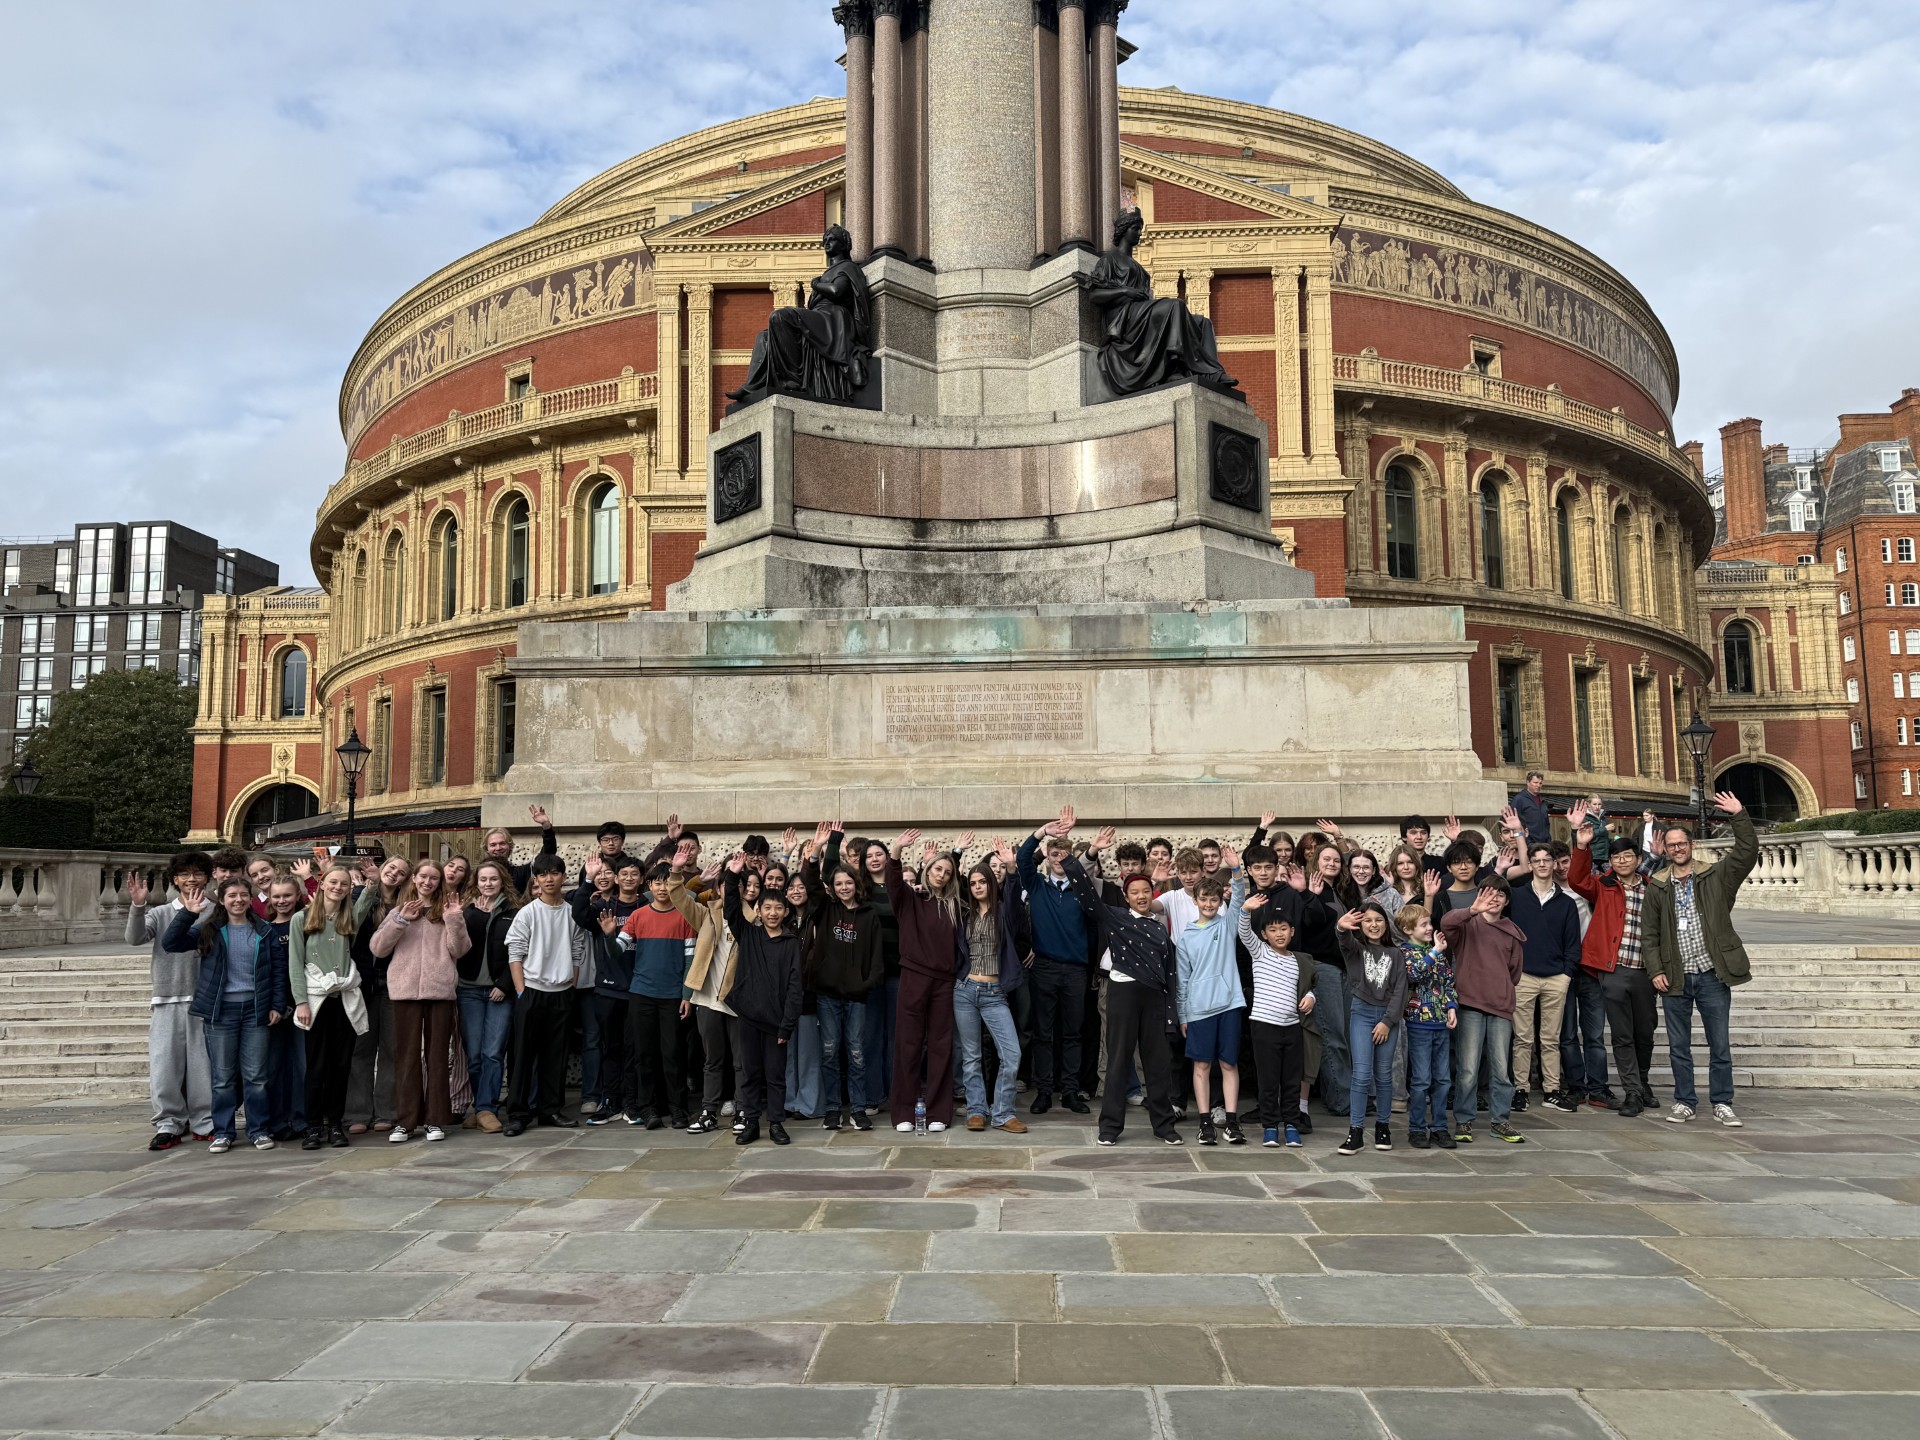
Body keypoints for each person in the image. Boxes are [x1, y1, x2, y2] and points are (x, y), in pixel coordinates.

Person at [1643, 793, 1757, 1127]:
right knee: (1679, 1046)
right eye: (1671, 845)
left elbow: (1747, 853)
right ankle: (1684, 1101)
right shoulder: (1658, 886)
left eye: (1682, 844)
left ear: (1692, 846)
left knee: (1719, 1043)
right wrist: (1655, 970)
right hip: (1676, 976)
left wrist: (1739, 815)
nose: (1677, 849)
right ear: (1664, 849)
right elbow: (1649, 934)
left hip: (1711, 974)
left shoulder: (1716, 876)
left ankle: (1722, 1101)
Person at [1060, 836, 1182, 1147]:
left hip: (1154, 999)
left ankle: (1164, 1126)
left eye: (1145, 892)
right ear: (1125, 896)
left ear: (1151, 894)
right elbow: (1087, 896)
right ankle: (1110, 1128)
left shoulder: (1158, 927)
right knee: (1117, 1061)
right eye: (1134, 893)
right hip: (1123, 996)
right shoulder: (1114, 918)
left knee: (1157, 1064)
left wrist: (1171, 1014)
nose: (1141, 897)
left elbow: (1170, 975)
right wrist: (1074, 860)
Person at [162, 875, 290, 1153]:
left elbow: (279, 972)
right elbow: (171, 943)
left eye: (243, 895)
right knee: (222, 1077)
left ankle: (258, 1129)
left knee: (256, 1075)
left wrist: (277, 1005)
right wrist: (187, 913)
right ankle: (223, 1131)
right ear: (222, 900)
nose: (238, 900)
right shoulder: (209, 930)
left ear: (250, 898)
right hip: (221, 1011)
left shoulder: (265, 931)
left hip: (256, 1010)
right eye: (232, 895)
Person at [369, 860, 471, 1143]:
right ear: (414, 878)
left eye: (434, 878)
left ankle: (435, 1119)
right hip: (404, 991)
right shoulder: (399, 911)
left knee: (438, 1056)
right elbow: (378, 947)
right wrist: (400, 921)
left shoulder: (445, 911)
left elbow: (460, 950)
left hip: (439, 991)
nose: (428, 882)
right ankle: (406, 1121)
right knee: (407, 1057)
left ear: (440, 882)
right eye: (423, 877)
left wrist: (454, 918)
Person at [126, 851, 215, 1149]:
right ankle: (169, 1123)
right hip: (166, 997)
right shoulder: (161, 912)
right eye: (185, 874)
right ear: (175, 879)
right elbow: (134, 938)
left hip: (204, 999)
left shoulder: (217, 911)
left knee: (203, 1066)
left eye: (198, 873)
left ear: (208, 877)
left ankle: (205, 1121)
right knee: (165, 1066)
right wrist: (138, 906)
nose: (192, 879)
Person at [1567, 824, 1656, 1118]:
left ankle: (1642, 1083)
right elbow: (1577, 879)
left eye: (1628, 856)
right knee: (1621, 1034)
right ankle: (1632, 1091)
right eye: (1617, 858)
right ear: (1612, 862)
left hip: (1645, 969)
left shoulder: (1654, 889)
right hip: (1613, 969)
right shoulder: (1603, 885)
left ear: (1638, 859)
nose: (1622, 861)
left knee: (1645, 1032)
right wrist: (1581, 847)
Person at [1016, 812, 1100, 1116]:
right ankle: (1044, 1091)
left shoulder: (1082, 888)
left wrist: (1088, 963)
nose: (1058, 859)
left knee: (1074, 1033)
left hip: (1076, 969)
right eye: (1054, 854)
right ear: (1048, 857)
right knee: (1043, 1032)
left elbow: (1094, 926)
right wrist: (1042, 832)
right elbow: (1023, 859)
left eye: (1064, 855)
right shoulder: (1037, 885)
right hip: (1044, 968)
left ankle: (1069, 1091)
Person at [720, 853, 805, 1146]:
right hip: (748, 1016)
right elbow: (731, 908)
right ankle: (751, 1121)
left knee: (775, 1075)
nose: (772, 912)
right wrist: (732, 876)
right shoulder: (748, 934)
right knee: (750, 1073)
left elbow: (796, 986)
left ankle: (777, 1123)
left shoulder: (791, 943)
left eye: (778, 908)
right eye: (766, 907)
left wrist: (787, 1025)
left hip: (776, 1021)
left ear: (785, 912)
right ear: (757, 909)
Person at [884, 829, 963, 1134]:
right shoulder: (911, 898)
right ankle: (903, 1111)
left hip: (944, 982)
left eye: (947, 871)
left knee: (941, 1046)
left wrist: (954, 854)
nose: (941, 875)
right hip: (914, 977)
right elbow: (893, 883)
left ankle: (938, 1112)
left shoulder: (955, 905)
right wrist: (896, 849)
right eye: (937, 869)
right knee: (908, 1044)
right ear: (927, 870)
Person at [505, 854, 589, 1136]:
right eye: (543, 875)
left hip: (562, 992)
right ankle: (518, 1114)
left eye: (555, 873)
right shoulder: (528, 913)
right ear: (536, 880)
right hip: (531, 991)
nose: (549, 879)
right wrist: (521, 992)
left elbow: (577, 951)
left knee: (557, 1056)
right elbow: (514, 954)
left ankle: (550, 1110)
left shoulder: (572, 913)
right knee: (522, 1056)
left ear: (564, 877)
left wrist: (572, 984)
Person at [290, 864, 373, 1149]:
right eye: (334, 882)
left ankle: (335, 1124)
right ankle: (313, 1126)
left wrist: (371, 882)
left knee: (341, 1065)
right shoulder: (301, 918)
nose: (339, 887)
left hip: (343, 1001)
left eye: (345, 884)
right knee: (316, 1067)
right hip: (316, 1000)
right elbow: (295, 964)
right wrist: (301, 1001)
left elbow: (367, 901)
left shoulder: (348, 919)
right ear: (322, 884)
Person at [1440, 881, 1527, 1144]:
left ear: (1507, 902)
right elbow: (1446, 924)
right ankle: (1464, 1121)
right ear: (1480, 896)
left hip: (1500, 1006)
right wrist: (1472, 910)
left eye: (1501, 894)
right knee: (1468, 1068)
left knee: (1501, 1070)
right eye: (1490, 893)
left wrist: (1499, 989)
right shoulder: (1467, 924)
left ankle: (1501, 1121)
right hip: (1469, 1004)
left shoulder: (1512, 933)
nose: (1495, 898)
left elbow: (1515, 972)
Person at [615, 862, 699, 1128]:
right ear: (649, 886)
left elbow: (690, 961)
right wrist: (608, 936)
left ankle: (678, 1109)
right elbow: (618, 951)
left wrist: (687, 995)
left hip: (673, 996)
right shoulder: (638, 916)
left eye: (667, 882)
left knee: (673, 1054)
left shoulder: (685, 917)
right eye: (657, 883)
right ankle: (648, 1108)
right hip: (642, 994)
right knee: (644, 1054)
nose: (663, 888)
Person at [955, 848, 1029, 1134]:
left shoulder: (1005, 912)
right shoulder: (965, 915)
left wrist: (1011, 868)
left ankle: (1003, 1113)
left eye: (982, 882)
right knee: (971, 1056)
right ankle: (976, 1110)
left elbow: (1013, 897)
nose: (977, 887)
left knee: (1011, 1055)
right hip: (964, 990)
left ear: (991, 883)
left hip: (995, 993)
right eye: (973, 883)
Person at [1505, 842, 1583, 1114]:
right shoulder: (1516, 897)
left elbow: (1573, 943)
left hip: (1555, 978)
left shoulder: (1566, 903)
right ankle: (1520, 1089)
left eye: (1546, 860)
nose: (1541, 864)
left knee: (1551, 1038)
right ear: (1532, 864)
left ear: (1553, 864)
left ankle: (1551, 1089)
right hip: (1524, 976)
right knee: (1522, 1038)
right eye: (1536, 860)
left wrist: (1566, 974)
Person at [813, 854, 884, 1131]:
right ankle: (833, 1109)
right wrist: (829, 844)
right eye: (838, 883)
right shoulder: (826, 909)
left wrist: (864, 985)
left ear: (856, 884)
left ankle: (858, 1108)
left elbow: (877, 961)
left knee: (856, 1053)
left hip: (857, 997)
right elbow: (813, 882)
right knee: (830, 1052)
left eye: (848, 882)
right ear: (833, 886)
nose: (844, 887)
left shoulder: (868, 916)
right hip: (828, 995)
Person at [1237, 893, 1315, 1147]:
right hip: (1264, 1026)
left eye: (1283, 929)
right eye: (1273, 929)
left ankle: (1291, 1124)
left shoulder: (1299, 961)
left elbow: (1310, 986)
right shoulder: (1260, 952)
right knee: (1268, 1080)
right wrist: (1245, 910)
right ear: (1264, 934)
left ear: (1292, 931)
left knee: (1291, 1080)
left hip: (1292, 1027)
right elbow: (1244, 932)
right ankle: (1270, 1126)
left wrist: (1311, 997)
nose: (1279, 934)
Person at [1175, 874, 1247, 1146]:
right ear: (1195, 901)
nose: (1208, 903)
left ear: (1220, 902)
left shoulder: (1227, 926)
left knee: (1229, 1063)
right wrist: (1183, 1015)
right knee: (1201, 1064)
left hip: (1229, 1004)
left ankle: (1231, 1122)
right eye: (1203, 899)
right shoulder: (1186, 938)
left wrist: (1236, 871)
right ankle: (1205, 1123)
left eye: (1213, 899)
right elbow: (1182, 981)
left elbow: (1238, 900)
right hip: (1199, 1010)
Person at [1333, 903, 1409, 1155]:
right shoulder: (1357, 950)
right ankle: (1355, 1131)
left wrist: (1387, 1022)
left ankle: (1383, 1127)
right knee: (1362, 1074)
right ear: (1360, 925)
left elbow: (1400, 991)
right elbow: (1344, 940)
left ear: (1386, 924)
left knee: (1384, 1075)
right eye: (1367, 921)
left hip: (1388, 1017)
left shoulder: (1396, 953)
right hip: (1362, 1014)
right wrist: (1341, 928)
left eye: (1378, 920)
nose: (1374, 925)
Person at [345, 855, 412, 1134]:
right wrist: (370, 887)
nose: (394, 874)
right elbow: (351, 926)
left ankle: (387, 1110)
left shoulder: (406, 904)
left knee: (390, 1049)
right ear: (381, 869)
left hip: (394, 983)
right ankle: (357, 1112)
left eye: (401, 873)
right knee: (361, 1049)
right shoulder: (361, 895)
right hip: (364, 983)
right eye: (391, 868)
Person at [458, 859, 519, 1133]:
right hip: (469, 989)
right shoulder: (465, 910)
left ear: (502, 880)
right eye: (483, 879)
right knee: (474, 1055)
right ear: (476, 882)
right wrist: (475, 916)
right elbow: (459, 945)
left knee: (493, 1053)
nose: (488, 884)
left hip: (499, 990)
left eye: (493, 879)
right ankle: (481, 1106)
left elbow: (520, 951)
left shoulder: (514, 911)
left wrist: (505, 984)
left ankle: (486, 1108)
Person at [677, 862, 736, 1134]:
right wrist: (678, 871)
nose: (731, 889)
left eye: (737, 884)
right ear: (719, 888)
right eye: (726, 884)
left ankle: (744, 1110)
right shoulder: (707, 915)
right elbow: (679, 897)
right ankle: (708, 1111)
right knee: (712, 1059)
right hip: (707, 999)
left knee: (741, 1060)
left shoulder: (753, 918)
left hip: (738, 1002)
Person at [1398, 904, 1457, 1149]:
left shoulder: (1438, 952)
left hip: (1441, 1024)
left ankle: (1440, 1127)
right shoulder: (1404, 952)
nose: (1430, 928)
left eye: (1429, 923)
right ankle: (1417, 1128)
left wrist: (1451, 1006)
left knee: (1443, 1079)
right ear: (1407, 929)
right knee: (1421, 1080)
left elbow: (1447, 981)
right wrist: (1433, 952)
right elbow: (1413, 975)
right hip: (1418, 1024)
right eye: (1423, 925)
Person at [261, 877, 308, 1142]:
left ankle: (301, 1118)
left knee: (301, 1066)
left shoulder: (307, 923)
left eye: (287, 896)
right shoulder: (265, 929)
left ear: (297, 895)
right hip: (275, 1009)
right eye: (276, 896)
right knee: (274, 1068)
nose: (282, 901)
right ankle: (277, 1120)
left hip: (304, 1005)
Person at [484, 805, 560, 893]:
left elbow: (546, 855)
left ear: (510, 846)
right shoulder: (476, 875)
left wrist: (546, 826)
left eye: (502, 843)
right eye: (493, 845)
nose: (498, 848)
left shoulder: (522, 873)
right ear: (487, 849)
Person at [1512, 771, 1553, 848]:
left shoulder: (1543, 801)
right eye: (1535, 782)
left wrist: (1548, 840)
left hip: (1545, 844)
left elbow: (1546, 824)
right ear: (1528, 782)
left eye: (1540, 783)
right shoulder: (1519, 800)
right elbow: (1514, 822)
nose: (1538, 785)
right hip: (1528, 844)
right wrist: (1525, 841)